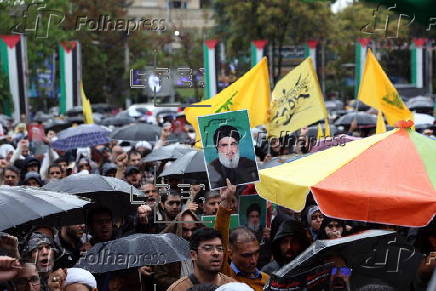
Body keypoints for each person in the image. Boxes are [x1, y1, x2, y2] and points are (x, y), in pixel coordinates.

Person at [167, 227, 235, 290]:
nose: (216, 253)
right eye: (208, 248)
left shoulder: (234, 286)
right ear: (193, 255)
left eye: (220, 248)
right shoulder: (178, 288)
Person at [153, 209, 204, 290]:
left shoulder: (202, 247)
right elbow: (160, 278)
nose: (190, 234)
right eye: (185, 230)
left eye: (193, 230)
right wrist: (186, 285)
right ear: (178, 228)